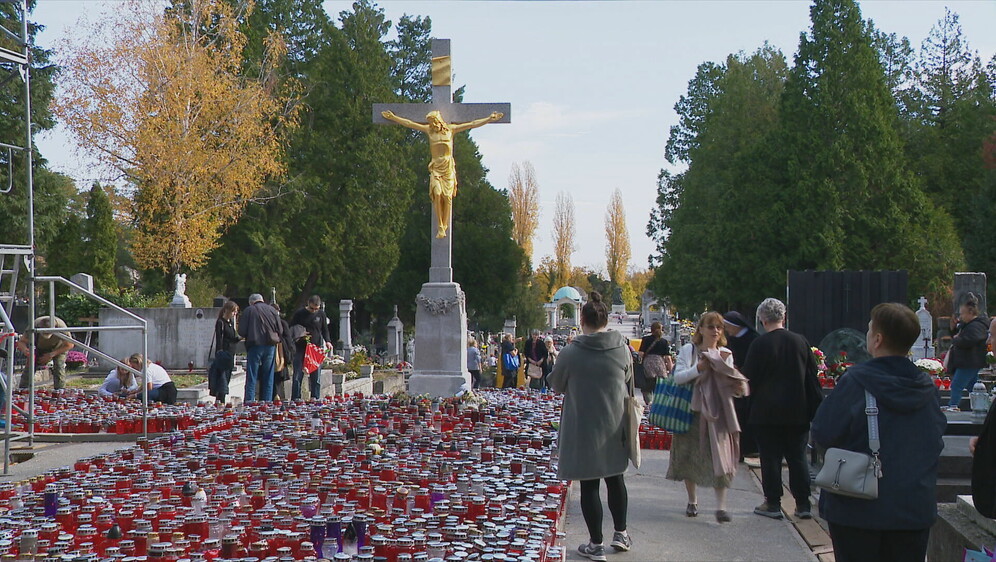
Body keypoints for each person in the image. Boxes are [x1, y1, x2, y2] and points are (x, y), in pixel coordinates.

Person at [812, 303, 945, 562]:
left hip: (857, 506)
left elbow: (823, 432)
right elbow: (935, 438)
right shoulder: (927, 388)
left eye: (869, 328)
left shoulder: (855, 381)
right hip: (913, 507)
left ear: (878, 339)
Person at [549, 291, 633, 561]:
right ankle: (620, 533)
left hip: (583, 425)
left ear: (581, 318)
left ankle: (595, 544)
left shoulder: (572, 351)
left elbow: (556, 384)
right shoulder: (622, 348)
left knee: (589, 485)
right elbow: (629, 381)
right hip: (614, 423)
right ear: (606, 319)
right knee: (616, 478)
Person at [741, 297, 822, 520]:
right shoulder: (800, 341)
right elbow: (811, 376)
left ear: (762, 319)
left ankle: (773, 503)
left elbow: (748, 377)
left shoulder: (759, 344)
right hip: (797, 410)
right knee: (797, 457)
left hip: (765, 412)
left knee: (770, 458)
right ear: (783, 317)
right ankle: (803, 504)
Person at [666, 312, 748, 523]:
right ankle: (692, 501)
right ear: (700, 329)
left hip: (717, 414)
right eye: (710, 326)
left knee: (721, 457)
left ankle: (721, 507)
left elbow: (731, 385)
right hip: (691, 412)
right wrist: (698, 368)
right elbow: (678, 377)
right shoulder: (689, 350)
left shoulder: (725, 353)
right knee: (689, 456)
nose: (715, 331)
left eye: (719, 327)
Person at [381, 109, 503, 238]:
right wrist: (394, 117)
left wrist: (489, 118)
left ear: (439, 121)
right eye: (431, 123)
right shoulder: (429, 131)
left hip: (448, 169)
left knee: (447, 197)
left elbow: (472, 123)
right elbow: (409, 123)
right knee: (437, 194)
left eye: (434, 122)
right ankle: (440, 226)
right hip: (436, 168)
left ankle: (444, 226)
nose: (433, 125)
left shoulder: (451, 130)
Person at [723, 311, 760, 459]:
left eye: (727, 326)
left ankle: (749, 448)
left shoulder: (753, 339)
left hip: (748, 383)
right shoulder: (731, 339)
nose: (726, 330)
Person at [944, 292, 989, 411]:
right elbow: (959, 336)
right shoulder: (968, 325)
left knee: (957, 385)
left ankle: (953, 405)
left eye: (963, 314)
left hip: (969, 362)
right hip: (968, 362)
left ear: (970, 312)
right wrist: (953, 330)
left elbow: (968, 340)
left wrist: (957, 339)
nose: (961, 317)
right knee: (972, 387)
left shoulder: (977, 326)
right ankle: (984, 405)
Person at [238, 293, 282, 402]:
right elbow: (280, 330)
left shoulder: (249, 310)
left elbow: (242, 331)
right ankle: (267, 402)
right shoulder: (272, 310)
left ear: (251, 302)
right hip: (270, 346)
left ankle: (249, 401)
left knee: (252, 375)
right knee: (268, 376)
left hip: (254, 345)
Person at [290, 296, 332, 400]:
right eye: (312, 308)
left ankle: (315, 397)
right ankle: (296, 398)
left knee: (316, 376)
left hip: (315, 349)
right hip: (301, 348)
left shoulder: (321, 314)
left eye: (316, 309)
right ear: (308, 304)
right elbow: (291, 328)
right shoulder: (299, 314)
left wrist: (328, 341)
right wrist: (300, 334)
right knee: (297, 376)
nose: (314, 311)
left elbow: (324, 330)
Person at [17, 316, 74, 390]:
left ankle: (60, 391)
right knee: (30, 365)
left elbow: (69, 345)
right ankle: (23, 390)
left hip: (59, 348)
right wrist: (25, 350)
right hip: (40, 347)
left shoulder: (61, 327)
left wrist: (51, 354)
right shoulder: (34, 325)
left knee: (59, 367)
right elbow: (21, 341)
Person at [208, 300, 241, 405]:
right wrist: (219, 352)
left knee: (226, 379)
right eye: (233, 311)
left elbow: (233, 337)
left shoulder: (230, 323)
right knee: (221, 382)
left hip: (230, 355)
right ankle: (219, 402)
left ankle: (221, 401)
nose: (234, 314)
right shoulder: (220, 322)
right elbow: (219, 339)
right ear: (227, 310)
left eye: (235, 312)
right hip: (223, 355)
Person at [638, 321, 673, 403]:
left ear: (651, 330)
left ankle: (649, 403)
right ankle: (658, 402)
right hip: (660, 365)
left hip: (648, 365)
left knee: (647, 387)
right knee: (660, 387)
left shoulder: (645, 339)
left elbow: (641, 354)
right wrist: (671, 371)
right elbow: (668, 358)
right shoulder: (664, 342)